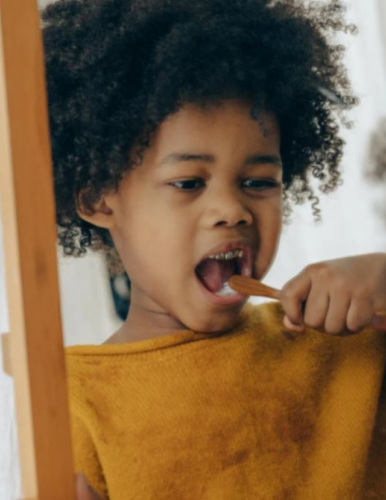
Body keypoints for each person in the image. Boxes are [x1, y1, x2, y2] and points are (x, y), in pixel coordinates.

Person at [42, 0, 386, 498]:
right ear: (97, 198)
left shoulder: (342, 344)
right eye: (187, 183)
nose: (233, 209)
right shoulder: (70, 404)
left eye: (258, 181)